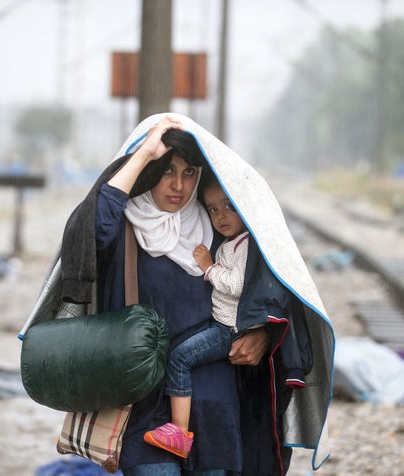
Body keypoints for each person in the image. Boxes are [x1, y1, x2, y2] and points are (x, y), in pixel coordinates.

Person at [38, 113, 334, 475]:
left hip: (214, 400)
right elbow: (91, 230)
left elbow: (268, 292)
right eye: (166, 170)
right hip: (143, 403)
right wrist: (145, 153)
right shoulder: (124, 224)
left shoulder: (217, 224)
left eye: (189, 171)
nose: (178, 185)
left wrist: (261, 332)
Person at [143, 179, 312, 460]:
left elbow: (236, 284)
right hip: (222, 323)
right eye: (212, 209)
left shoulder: (246, 246)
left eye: (229, 207)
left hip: (229, 330)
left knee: (180, 358)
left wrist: (209, 268)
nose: (220, 216)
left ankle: (179, 432)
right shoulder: (233, 244)